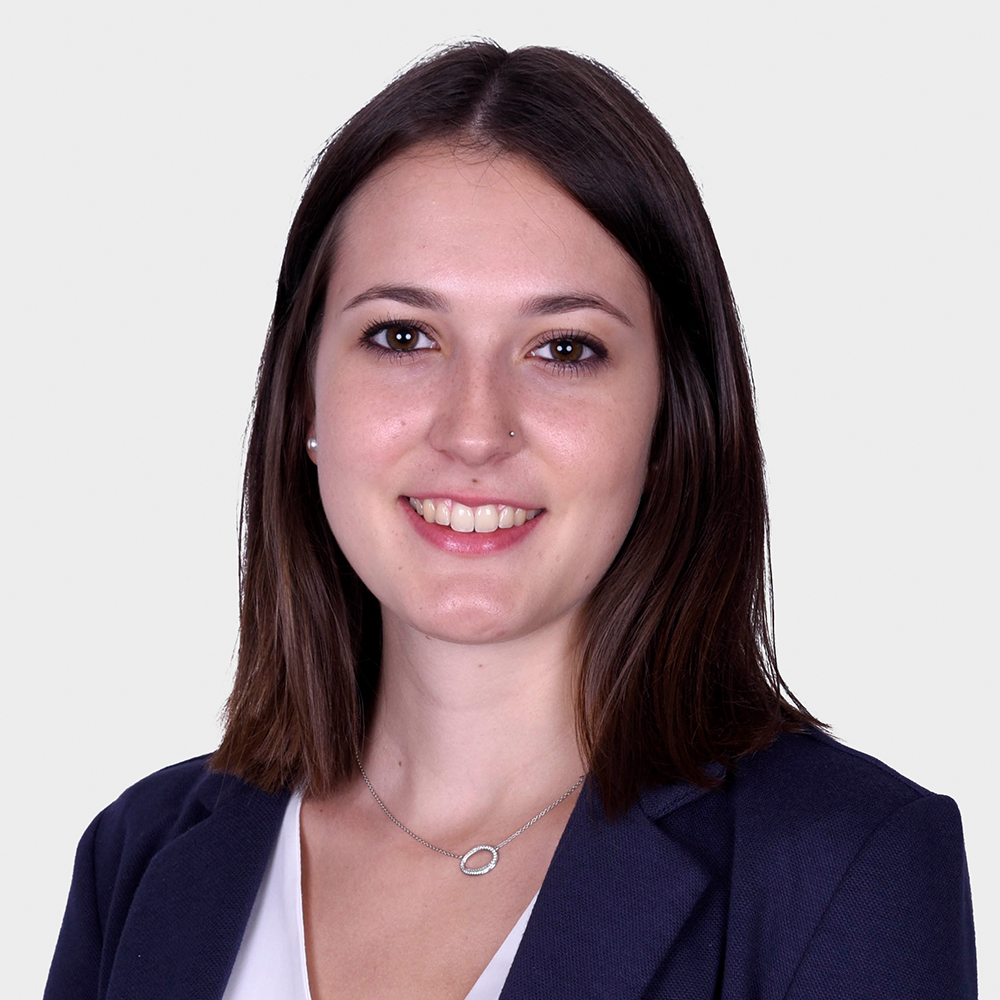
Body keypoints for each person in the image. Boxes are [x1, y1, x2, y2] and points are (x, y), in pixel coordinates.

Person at [44, 42, 977, 1000]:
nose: (474, 430)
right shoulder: (138, 861)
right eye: (403, 336)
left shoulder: (847, 868)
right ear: (305, 401)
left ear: (671, 419)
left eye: (564, 349)